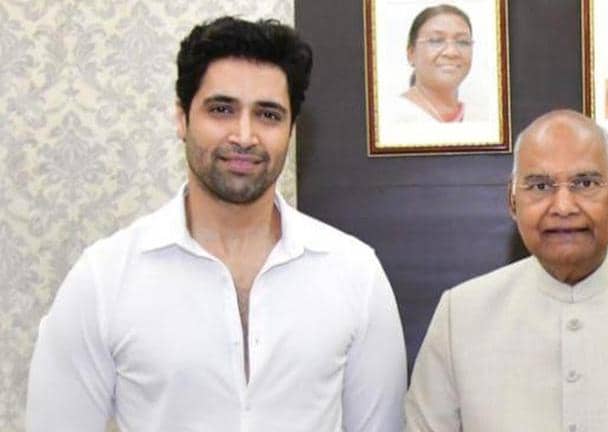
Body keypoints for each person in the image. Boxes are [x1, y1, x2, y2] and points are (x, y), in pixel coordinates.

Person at [26, 16, 407, 431]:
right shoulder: (104, 279)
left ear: (291, 131)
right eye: (222, 109)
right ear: (182, 118)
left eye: (268, 115)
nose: (244, 136)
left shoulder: (355, 274)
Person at [404, 110, 608, 431]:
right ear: (512, 201)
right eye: (540, 186)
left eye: (585, 182)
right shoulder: (461, 316)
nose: (563, 207)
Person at [387, 4, 474, 123]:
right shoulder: (389, 117)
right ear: (411, 54)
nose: (451, 52)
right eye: (436, 40)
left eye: (462, 42)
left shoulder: (481, 118)